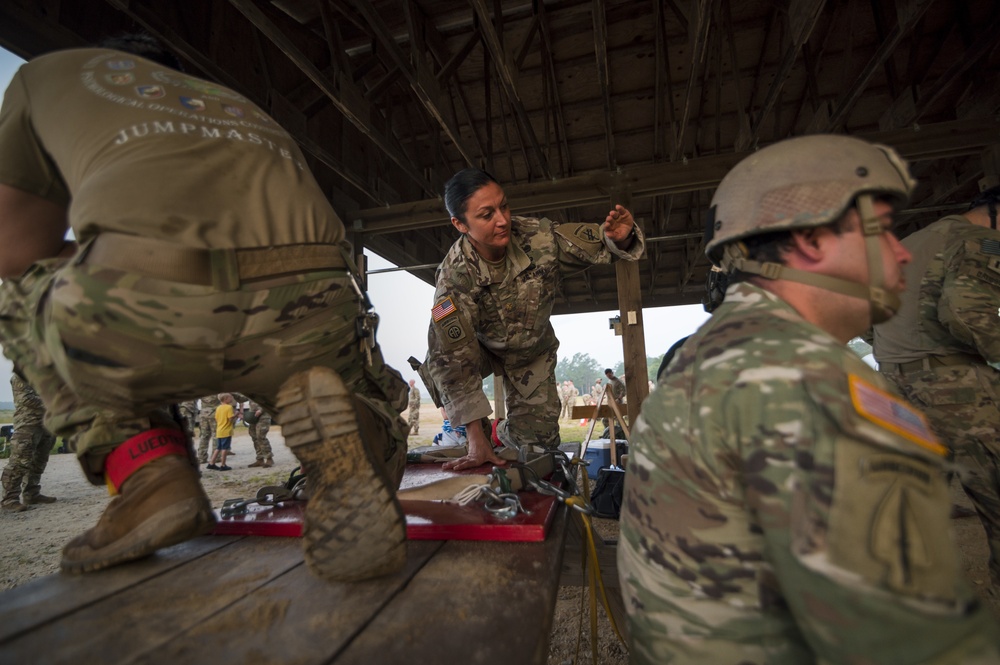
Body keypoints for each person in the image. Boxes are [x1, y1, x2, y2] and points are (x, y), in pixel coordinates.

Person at [0, 35, 410, 582]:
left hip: (157, 306)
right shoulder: (242, 107)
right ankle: (357, 429)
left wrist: (108, 255)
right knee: (363, 402)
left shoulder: (49, 77)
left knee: (15, 289)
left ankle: (147, 473)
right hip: (314, 304)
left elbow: (15, 250)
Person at [618, 134, 1000, 663]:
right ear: (813, 241)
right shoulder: (806, 384)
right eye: (881, 231)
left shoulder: (712, 353)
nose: (902, 250)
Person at [417, 168, 644, 471]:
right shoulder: (454, 278)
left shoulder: (538, 238)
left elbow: (600, 243)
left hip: (530, 353)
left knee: (539, 446)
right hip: (478, 350)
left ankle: (502, 432)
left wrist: (622, 239)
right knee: (439, 363)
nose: (502, 220)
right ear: (460, 224)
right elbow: (454, 359)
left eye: (504, 206)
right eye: (487, 215)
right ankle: (468, 430)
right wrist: (475, 438)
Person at [872, 185, 1000, 584]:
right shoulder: (979, 240)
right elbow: (965, 311)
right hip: (956, 389)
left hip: (894, 388)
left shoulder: (911, 244)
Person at [1, 372, 57, 511]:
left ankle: (32, 494)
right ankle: (9, 499)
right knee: (20, 461)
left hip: (47, 424)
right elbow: (26, 399)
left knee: (39, 461)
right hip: (27, 425)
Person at [195, 392, 247, 464]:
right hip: (214, 412)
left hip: (203, 413)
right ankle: (216, 457)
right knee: (216, 435)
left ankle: (201, 457)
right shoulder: (219, 389)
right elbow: (238, 398)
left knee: (204, 436)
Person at [206, 393, 236, 471]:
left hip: (219, 430)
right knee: (225, 448)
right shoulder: (229, 407)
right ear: (226, 399)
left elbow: (216, 418)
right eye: (230, 397)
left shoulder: (218, 408)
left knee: (218, 447)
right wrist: (236, 414)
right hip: (226, 431)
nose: (232, 398)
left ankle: (211, 463)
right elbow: (230, 419)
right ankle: (223, 465)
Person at [245, 400, 273, 468]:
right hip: (253, 416)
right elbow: (241, 398)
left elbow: (269, 401)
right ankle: (260, 459)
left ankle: (269, 459)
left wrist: (261, 410)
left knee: (260, 436)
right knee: (254, 437)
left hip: (264, 416)